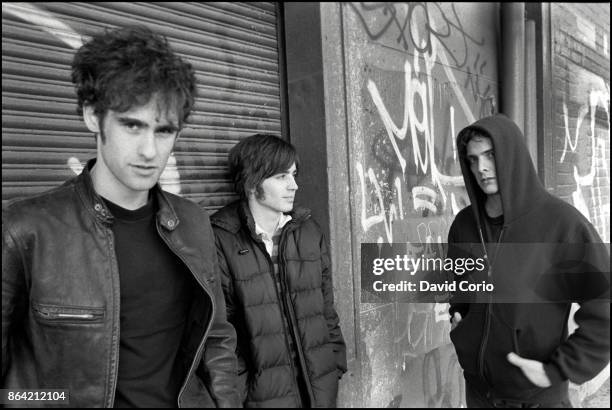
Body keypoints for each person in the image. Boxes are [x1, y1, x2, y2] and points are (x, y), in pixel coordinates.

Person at [2, 25, 239, 408]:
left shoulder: (193, 222)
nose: (149, 150)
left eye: (164, 131)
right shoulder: (24, 230)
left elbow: (216, 337)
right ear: (93, 117)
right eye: (132, 125)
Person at [447, 114, 610, 407]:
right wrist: (461, 321)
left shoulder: (561, 225)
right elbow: (459, 287)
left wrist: (559, 369)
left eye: (490, 155)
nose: (481, 168)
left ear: (512, 155)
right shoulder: (464, 225)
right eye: (472, 160)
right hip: (479, 394)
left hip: (537, 399)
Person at [211, 134, 347, 407]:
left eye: (294, 175)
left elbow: (326, 308)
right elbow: (219, 329)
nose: (294, 186)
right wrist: (240, 387)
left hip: (319, 386)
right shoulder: (221, 239)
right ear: (252, 181)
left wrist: (334, 364)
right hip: (262, 395)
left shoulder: (308, 232)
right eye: (281, 177)